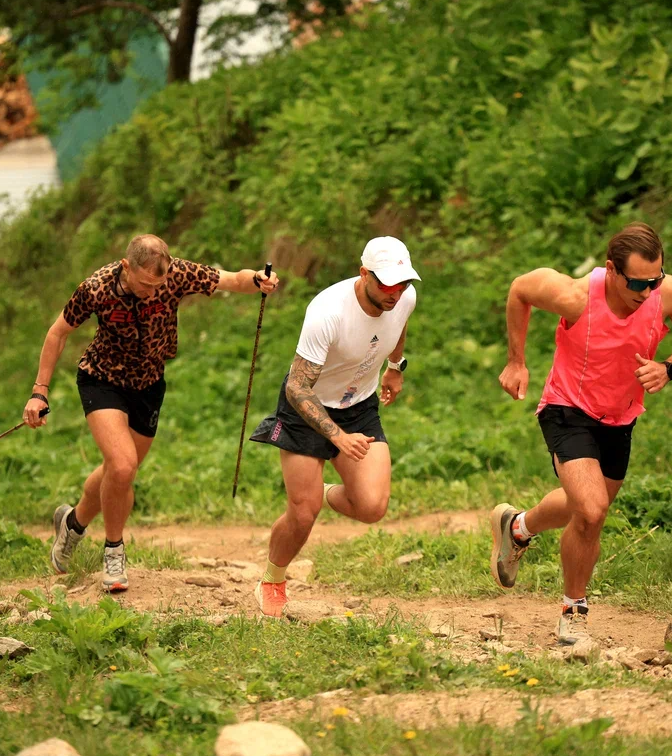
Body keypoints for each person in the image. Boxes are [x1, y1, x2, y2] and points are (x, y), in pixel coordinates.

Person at [489, 222, 672, 643]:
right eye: (637, 283)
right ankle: (573, 614)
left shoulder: (670, 294)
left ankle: (517, 528)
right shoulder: (575, 297)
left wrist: (670, 367)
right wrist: (516, 361)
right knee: (590, 512)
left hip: (620, 417)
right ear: (611, 270)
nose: (647, 293)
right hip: (566, 407)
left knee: (585, 508)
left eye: (655, 280)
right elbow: (520, 289)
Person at [24, 235, 279, 592]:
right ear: (126, 267)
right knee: (124, 465)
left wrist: (256, 280)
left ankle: (73, 523)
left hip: (148, 385)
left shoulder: (176, 274)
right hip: (103, 380)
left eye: (157, 285)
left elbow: (230, 279)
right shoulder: (96, 288)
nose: (150, 291)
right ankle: (114, 551)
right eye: (145, 284)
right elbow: (57, 334)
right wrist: (39, 391)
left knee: (120, 470)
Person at [249, 236, 419, 617]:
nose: (396, 293)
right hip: (306, 408)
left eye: (403, 283)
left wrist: (395, 366)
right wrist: (336, 437)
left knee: (372, 506)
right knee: (303, 513)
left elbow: (399, 324)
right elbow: (297, 387)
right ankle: (273, 580)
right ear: (364, 275)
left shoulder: (403, 298)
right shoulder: (327, 311)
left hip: (358, 407)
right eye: (387, 284)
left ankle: (319, 490)